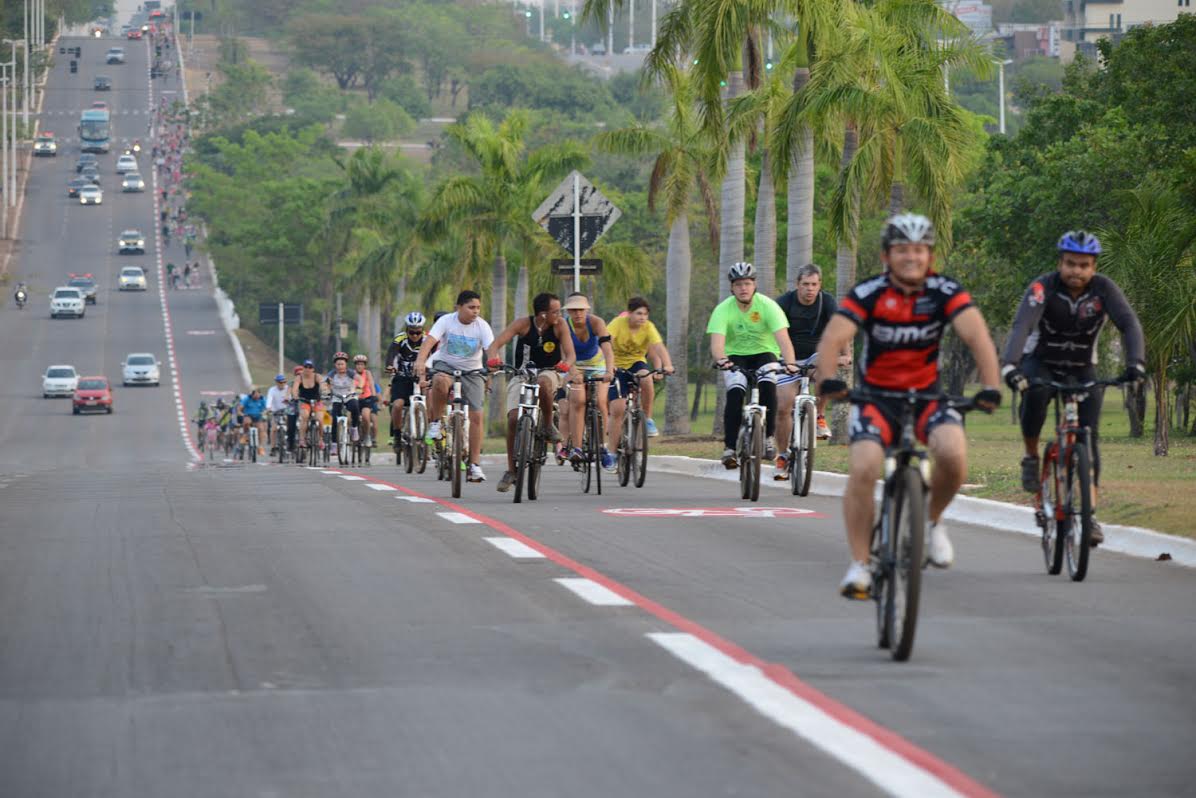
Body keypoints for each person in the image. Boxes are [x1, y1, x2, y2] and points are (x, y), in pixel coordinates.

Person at [815, 214, 1002, 599]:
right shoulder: (869, 293)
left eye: (919, 250)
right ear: (886, 255)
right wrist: (829, 380)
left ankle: (932, 521)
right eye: (902, 250)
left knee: (952, 453)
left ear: (929, 254)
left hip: (927, 397)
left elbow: (977, 336)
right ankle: (860, 564)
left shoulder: (945, 290)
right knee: (864, 466)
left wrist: (990, 387)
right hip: (876, 398)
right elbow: (833, 339)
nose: (911, 257)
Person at [1000, 230, 1145, 547]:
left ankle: (1089, 514)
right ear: (1060, 262)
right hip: (1041, 361)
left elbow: (1129, 323)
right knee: (1035, 394)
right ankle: (1030, 456)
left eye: (1083, 265)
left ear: (1093, 266)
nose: (1076, 271)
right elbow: (1022, 325)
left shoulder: (1105, 289)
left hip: (1082, 368)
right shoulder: (1043, 287)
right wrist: (1010, 365)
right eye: (1070, 264)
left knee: (1089, 441)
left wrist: (1136, 363)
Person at [707, 261, 799, 469]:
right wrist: (723, 361)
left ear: (754, 285)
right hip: (735, 356)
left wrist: (790, 363)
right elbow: (717, 344)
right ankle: (729, 448)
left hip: (765, 354)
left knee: (768, 384)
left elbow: (783, 340)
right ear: (732, 287)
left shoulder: (768, 306)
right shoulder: (723, 309)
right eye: (738, 284)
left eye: (747, 283)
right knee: (735, 392)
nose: (743, 288)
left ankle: (768, 438)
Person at [485, 292, 577, 492]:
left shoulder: (560, 326)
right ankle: (511, 470)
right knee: (513, 418)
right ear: (543, 314)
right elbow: (496, 345)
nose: (559, 315)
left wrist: (564, 365)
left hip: (551, 372)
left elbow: (570, 355)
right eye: (555, 311)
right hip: (521, 374)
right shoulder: (522, 324)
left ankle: (547, 426)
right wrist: (493, 358)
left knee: (544, 382)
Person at [773, 264, 851, 479]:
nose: (810, 289)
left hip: (816, 355)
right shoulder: (784, 303)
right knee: (783, 406)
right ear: (797, 285)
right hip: (788, 358)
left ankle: (819, 417)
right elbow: (771, 329)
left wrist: (846, 354)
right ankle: (781, 455)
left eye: (814, 284)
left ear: (820, 285)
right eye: (805, 284)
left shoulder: (826, 302)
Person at [414, 290, 495, 483]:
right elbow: (429, 342)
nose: (475, 311)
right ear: (458, 307)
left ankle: (474, 465)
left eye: (478, 308)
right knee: (440, 381)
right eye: (471, 307)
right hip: (446, 365)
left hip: (472, 371)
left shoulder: (482, 326)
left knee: (477, 416)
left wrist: (492, 366)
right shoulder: (446, 321)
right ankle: (435, 423)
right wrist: (420, 361)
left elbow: (490, 350)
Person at [606, 297, 674, 461]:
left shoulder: (648, 327)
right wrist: (608, 365)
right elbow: (606, 342)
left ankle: (648, 418)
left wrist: (667, 365)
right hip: (616, 365)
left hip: (636, 362)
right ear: (629, 314)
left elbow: (658, 348)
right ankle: (612, 453)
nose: (642, 317)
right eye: (638, 313)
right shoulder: (618, 323)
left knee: (646, 378)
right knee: (618, 410)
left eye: (645, 314)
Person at [561, 292, 616, 469]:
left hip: (597, 365)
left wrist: (609, 369)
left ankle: (602, 447)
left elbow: (607, 347)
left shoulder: (596, 322)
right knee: (578, 402)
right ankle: (576, 448)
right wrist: (573, 372)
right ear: (568, 311)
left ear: (587, 310)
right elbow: (563, 352)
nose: (578, 314)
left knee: (600, 401)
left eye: (581, 310)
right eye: (574, 310)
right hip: (573, 365)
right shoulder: (563, 325)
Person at [385, 312, 427, 445]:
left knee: (431, 402)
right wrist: (390, 365)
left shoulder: (427, 340)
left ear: (422, 330)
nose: (415, 335)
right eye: (411, 332)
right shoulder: (400, 339)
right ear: (407, 330)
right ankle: (397, 434)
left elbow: (434, 356)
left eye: (418, 332)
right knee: (397, 405)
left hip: (421, 377)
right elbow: (391, 353)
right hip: (402, 377)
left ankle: (430, 433)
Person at [325, 353, 359, 453]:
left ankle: (354, 428)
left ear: (346, 364)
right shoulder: (332, 374)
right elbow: (326, 383)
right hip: (337, 397)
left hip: (349, 395)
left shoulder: (350, 373)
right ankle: (335, 444)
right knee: (334, 419)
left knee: (355, 407)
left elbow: (360, 379)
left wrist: (359, 387)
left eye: (342, 364)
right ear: (335, 365)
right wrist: (326, 391)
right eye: (338, 364)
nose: (340, 366)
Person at [291, 359, 324, 450]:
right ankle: (302, 440)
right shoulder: (299, 378)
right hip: (304, 401)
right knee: (304, 416)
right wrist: (295, 395)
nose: (308, 369)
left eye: (310, 367)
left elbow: (322, 384)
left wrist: (325, 391)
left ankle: (321, 439)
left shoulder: (317, 376)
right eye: (306, 367)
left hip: (317, 401)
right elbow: (295, 388)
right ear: (303, 368)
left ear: (313, 369)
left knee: (320, 419)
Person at [352, 354, 379, 447]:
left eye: (362, 364)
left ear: (364, 366)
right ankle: (351, 435)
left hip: (366, 398)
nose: (359, 366)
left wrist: (374, 395)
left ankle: (367, 435)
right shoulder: (351, 373)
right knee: (349, 418)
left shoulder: (367, 373)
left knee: (366, 416)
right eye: (358, 364)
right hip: (354, 399)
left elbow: (371, 384)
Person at [239, 388, 267, 456]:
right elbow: (240, 409)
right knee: (247, 422)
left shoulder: (262, 399)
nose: (257, 397)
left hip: (258, 416)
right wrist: (242, 414)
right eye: (255, 395)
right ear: (252, 394)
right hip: (248, 415)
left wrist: (264, 412)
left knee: (261, 429)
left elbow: (266, 408)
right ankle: (245, 435)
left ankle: (260, 447)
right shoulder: (246, 399)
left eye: (258, 395)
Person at [265, 374, 290, 449]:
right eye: (280, 382)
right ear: (276, 382)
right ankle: (273, 447)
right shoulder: (272, 390)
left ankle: (289, 441)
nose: (282, 384)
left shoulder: (288, 389)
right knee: (273, 429)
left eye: (284, 382)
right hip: (275, 411)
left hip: (286, 410)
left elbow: (292, 399)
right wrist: (268, 408)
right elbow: (269, 399)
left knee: (290, 425)